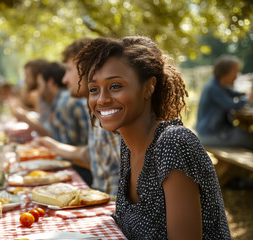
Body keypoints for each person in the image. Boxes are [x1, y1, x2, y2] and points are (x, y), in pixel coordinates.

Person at [76, 36, 230, 239]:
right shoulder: (129, 145)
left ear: (148, 87)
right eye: (94, 89)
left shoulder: (174, 142)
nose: (102, 99)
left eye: (115, 86)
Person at [36, 38, 121, 196]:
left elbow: (130, 178)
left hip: (111, 208)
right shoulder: (96, 108)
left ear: (86, 67)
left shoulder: (112, 109)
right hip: (101, 199)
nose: (64, 79)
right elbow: (97, 156)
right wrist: (55, 146)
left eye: (69, 69)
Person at [196, 55, 253, 150]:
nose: (237, 76)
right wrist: (248, 99)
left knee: (248, 135)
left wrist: (247, 95)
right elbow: (231, 105)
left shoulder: (220, 86)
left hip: (216, 132)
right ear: (226, 72)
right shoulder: (213, 88)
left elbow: (237, 94)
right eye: (235, 72)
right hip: (209, 135)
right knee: (250, 139)